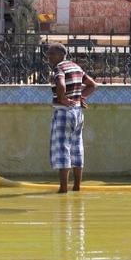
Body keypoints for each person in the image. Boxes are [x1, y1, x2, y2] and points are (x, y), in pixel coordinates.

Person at [46, 42, 97, 193]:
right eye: (48, 54)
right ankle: (77, 187)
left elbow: (61, 84)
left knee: (62, 149)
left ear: (61, 55)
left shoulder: (59, 68)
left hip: (63, 112)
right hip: (77, 113)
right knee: (76, 148)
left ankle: (63, 189)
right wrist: (81, 97)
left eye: (52, 54)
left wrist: (62, 98)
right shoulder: (76, 67)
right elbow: (92, 85)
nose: (49, 57)